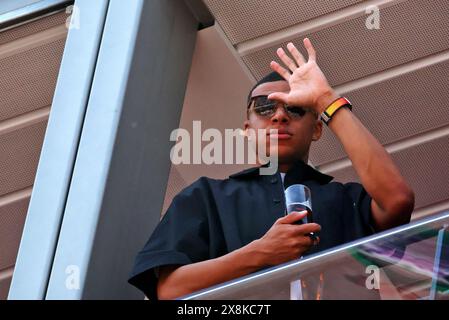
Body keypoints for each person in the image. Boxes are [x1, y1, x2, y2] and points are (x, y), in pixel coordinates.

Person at [128, 38, 415, 300]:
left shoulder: (347, 199)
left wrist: (325, 98)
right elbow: (170, 290)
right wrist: (259, 253)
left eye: (296, 107)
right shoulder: (206, 196)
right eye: (264, 107)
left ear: (317, 129)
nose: (279, 115)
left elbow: (397, 200)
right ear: (247, 130)